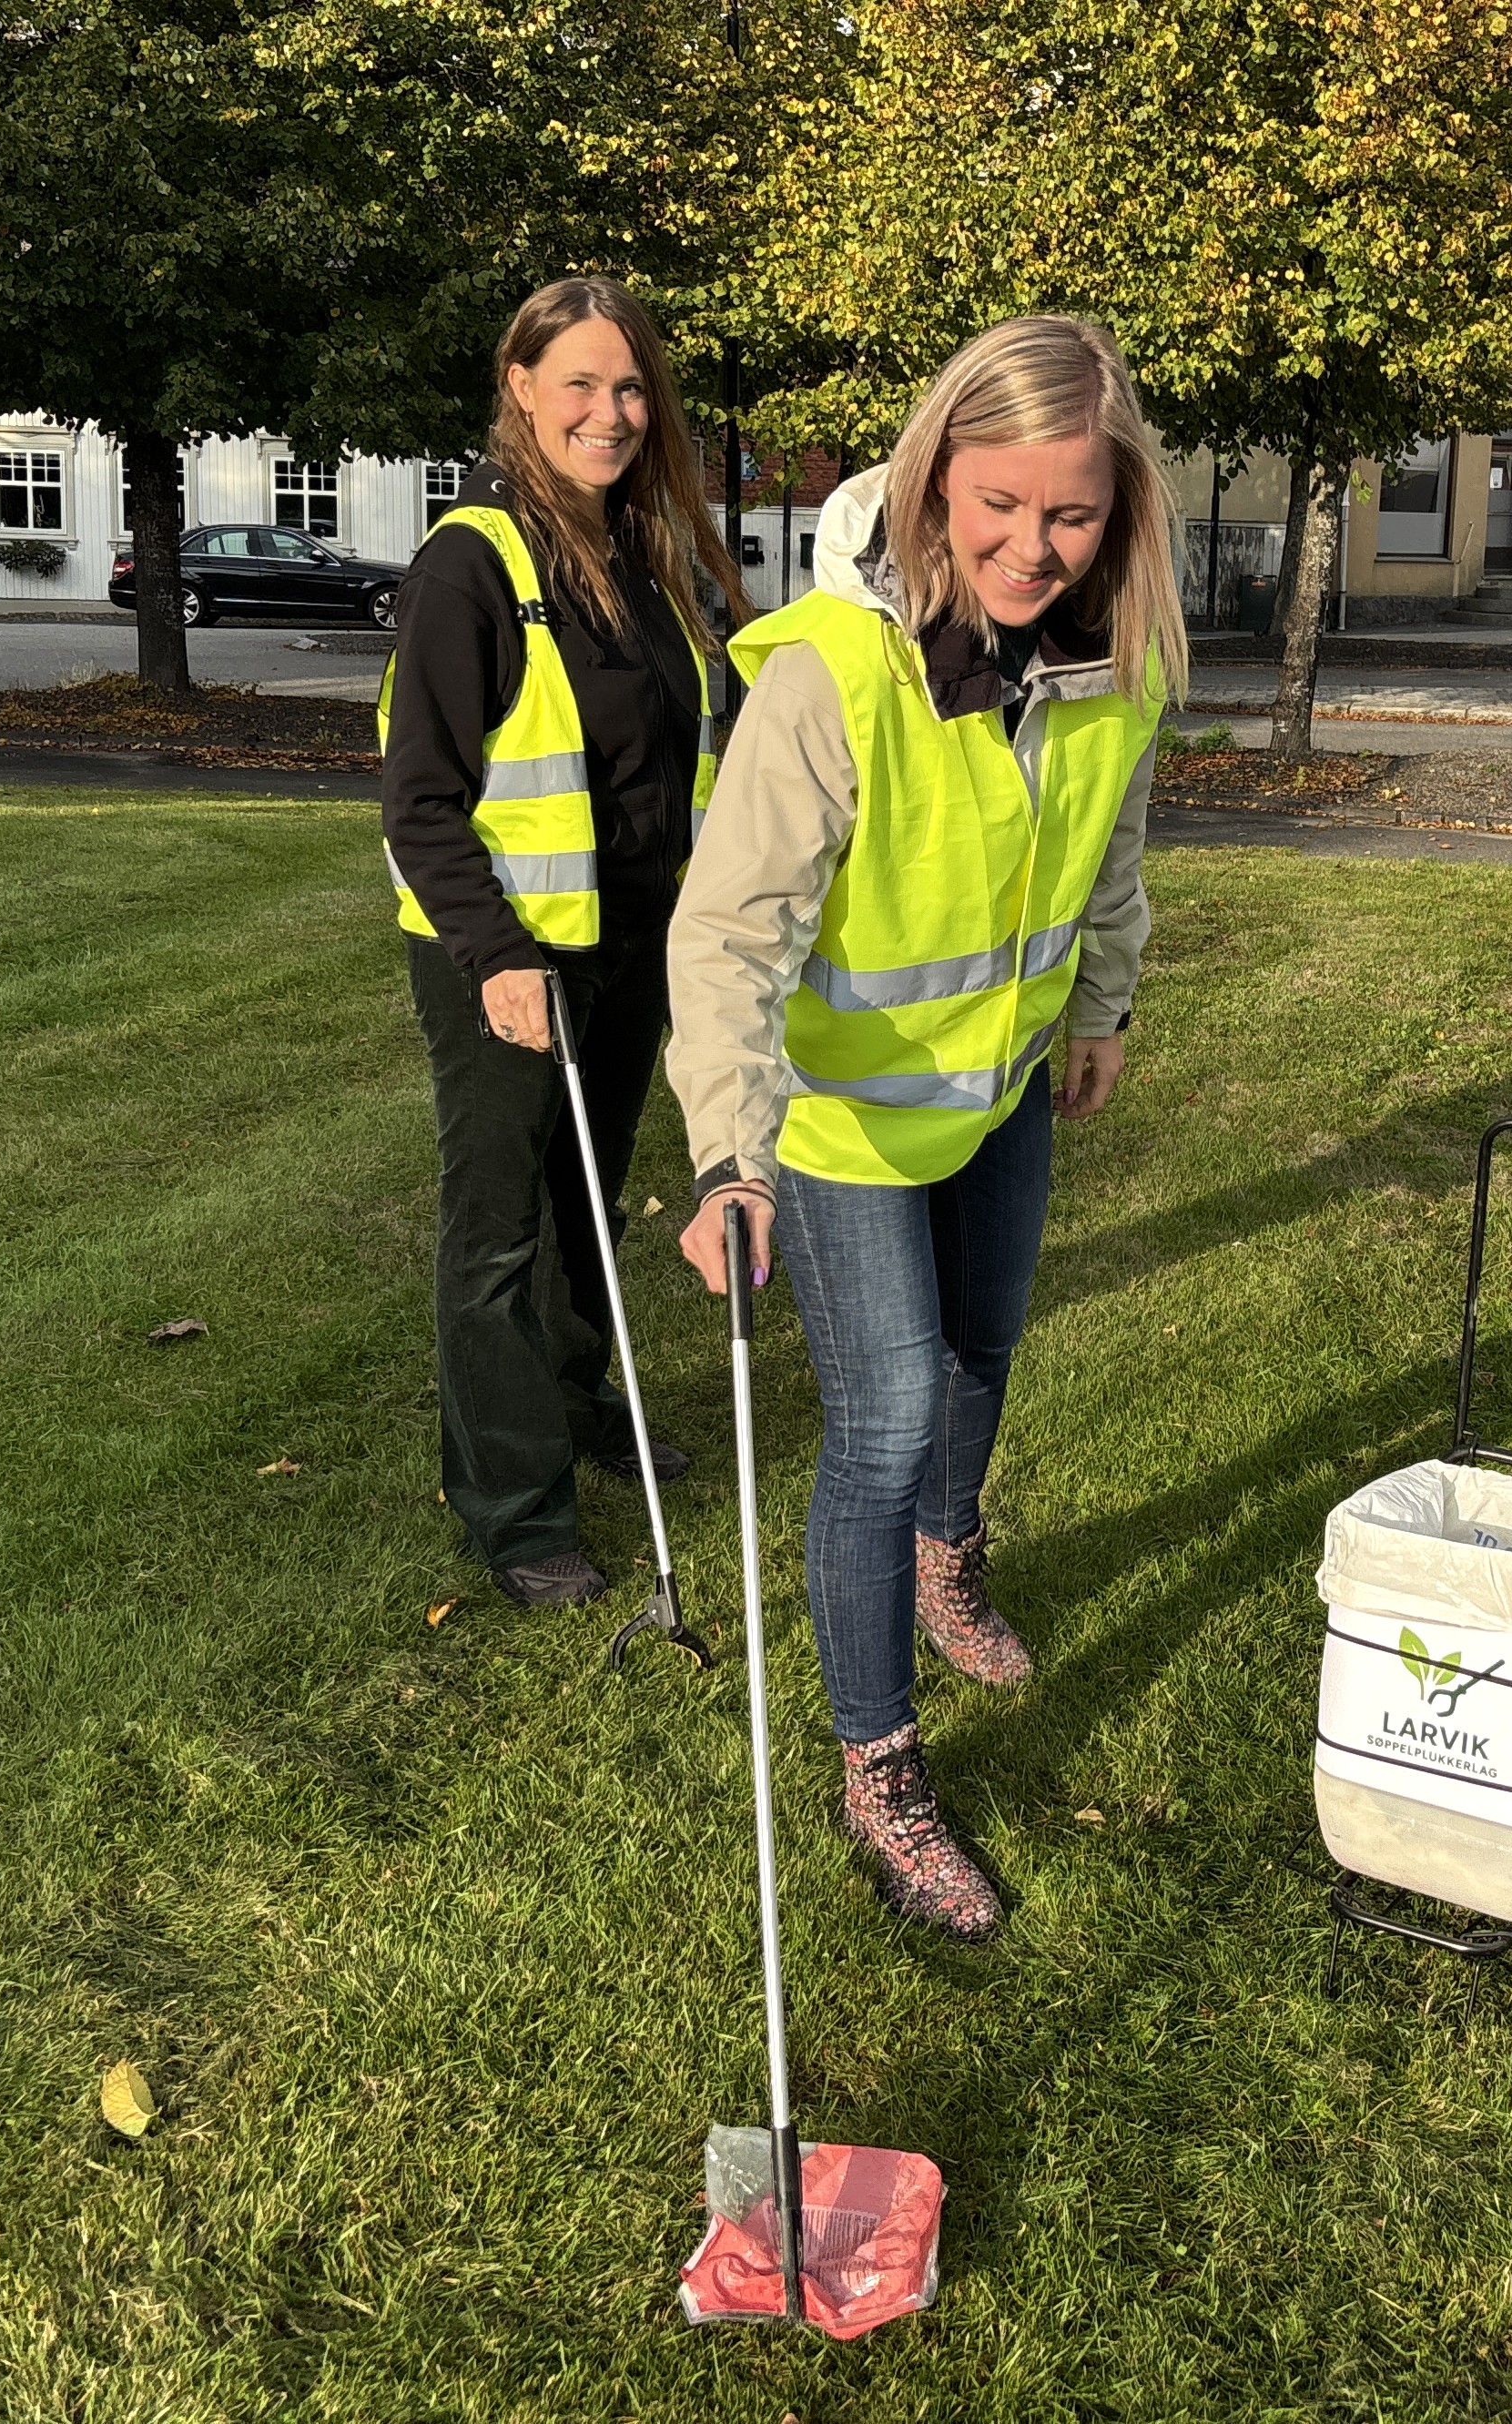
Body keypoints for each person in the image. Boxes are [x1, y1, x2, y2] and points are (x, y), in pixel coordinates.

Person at [665, 316, 1183, 1941]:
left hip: (1004, 1085)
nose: (1032, 547)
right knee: (881, 1422)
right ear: (930, 479)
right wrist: (725, 1150)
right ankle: (878, 1763)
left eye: (1072, 514)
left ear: (1120, 513)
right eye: (999, 504)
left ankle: (947, 1560)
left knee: (984, 1352)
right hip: (834, 1122)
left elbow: (1108, 849)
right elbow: (729, 930)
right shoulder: (833, 674)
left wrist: (1098, 1002)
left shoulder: (1122, 665)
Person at [381, 277, 749, 1605]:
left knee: (584, 1206)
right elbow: (417, 798)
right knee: (495, 1232)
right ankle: (513, 1505)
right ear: (520, 386)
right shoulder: (470, 564)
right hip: (507, 957)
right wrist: (493, 955)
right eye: (582, 383)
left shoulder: (650, 561)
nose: (611, 411)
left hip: (630, 947)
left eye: (631, 386)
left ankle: (577, 1403)